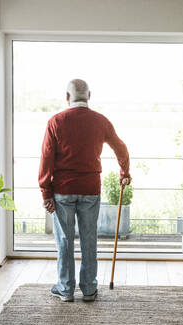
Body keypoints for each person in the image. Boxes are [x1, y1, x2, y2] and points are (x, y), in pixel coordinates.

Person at [38, 79, 131, 302]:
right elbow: (121, 148)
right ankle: (89, 289)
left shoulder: (56, 122)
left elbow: (46, 160)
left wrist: (46, 192)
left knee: (64, 241)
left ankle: (66, 289)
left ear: (67, 97)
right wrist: (124, 172)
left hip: (63, 190)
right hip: (90, 189)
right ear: (89, 95)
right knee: (89, 239)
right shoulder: (100, 121)